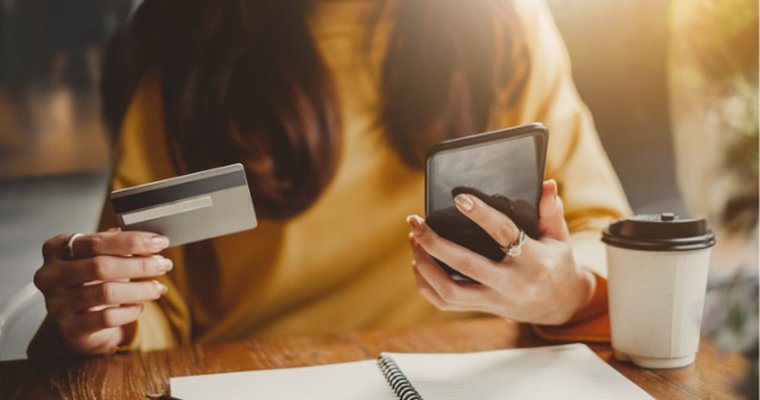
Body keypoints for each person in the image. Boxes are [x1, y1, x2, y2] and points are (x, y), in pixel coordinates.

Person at [29, 0, 630, 356]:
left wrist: (567, 291)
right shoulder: (185, 56)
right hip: (251, 377)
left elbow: (600, 231)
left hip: (486, 373)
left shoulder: (506, 26)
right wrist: (112, 317)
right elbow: (157, 303)